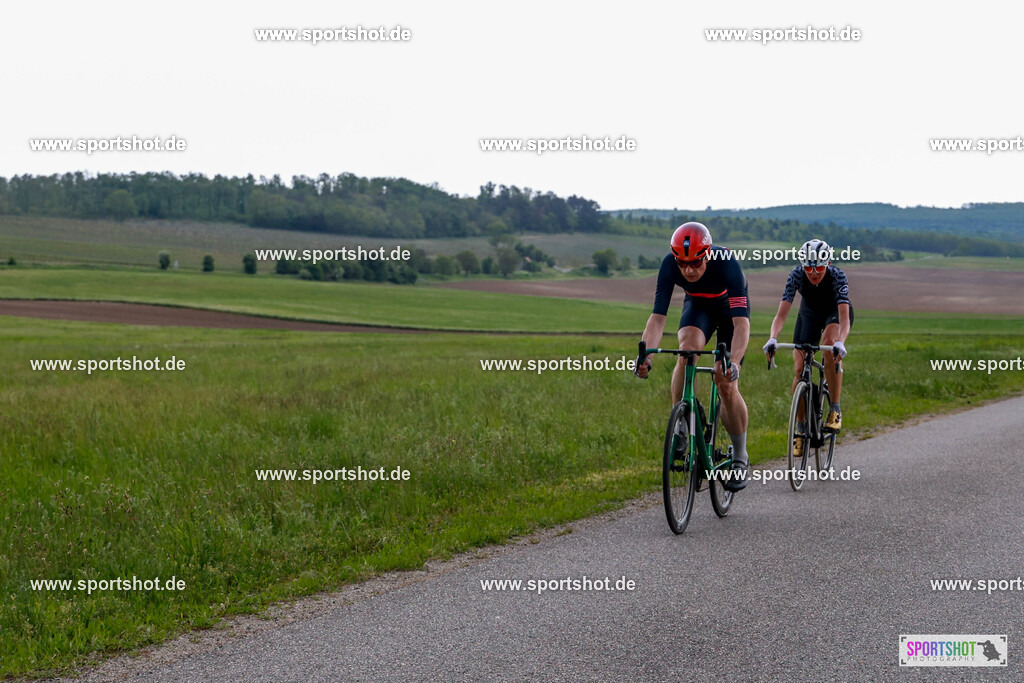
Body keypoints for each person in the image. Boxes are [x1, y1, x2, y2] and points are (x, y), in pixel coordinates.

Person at [636, 222, 751, 491]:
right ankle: (682, 422)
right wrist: (646, 357)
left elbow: (741, 324)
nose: (688, 270)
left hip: (729, 314)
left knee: (724, 380)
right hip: (698, 308)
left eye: (695, 263)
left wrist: (735, 362)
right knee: (686, 350)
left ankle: (740, 456)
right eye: (682, 264)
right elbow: (657, 317)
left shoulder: (727, 264)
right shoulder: (669, 265)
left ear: (707, 254)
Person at [762, 239, 853, 453]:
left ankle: (835, 409)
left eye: (819, 268)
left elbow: (844, 318)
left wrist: (841, 340)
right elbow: (781, 314)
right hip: (809, 313)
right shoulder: (796, 275)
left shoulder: (837, 276)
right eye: (809, 268)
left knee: (829, 344)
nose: (813, 273)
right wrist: (773, 338)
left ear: (827, 263)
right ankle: (801, 428)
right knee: (799, 368)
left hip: (833, 313)